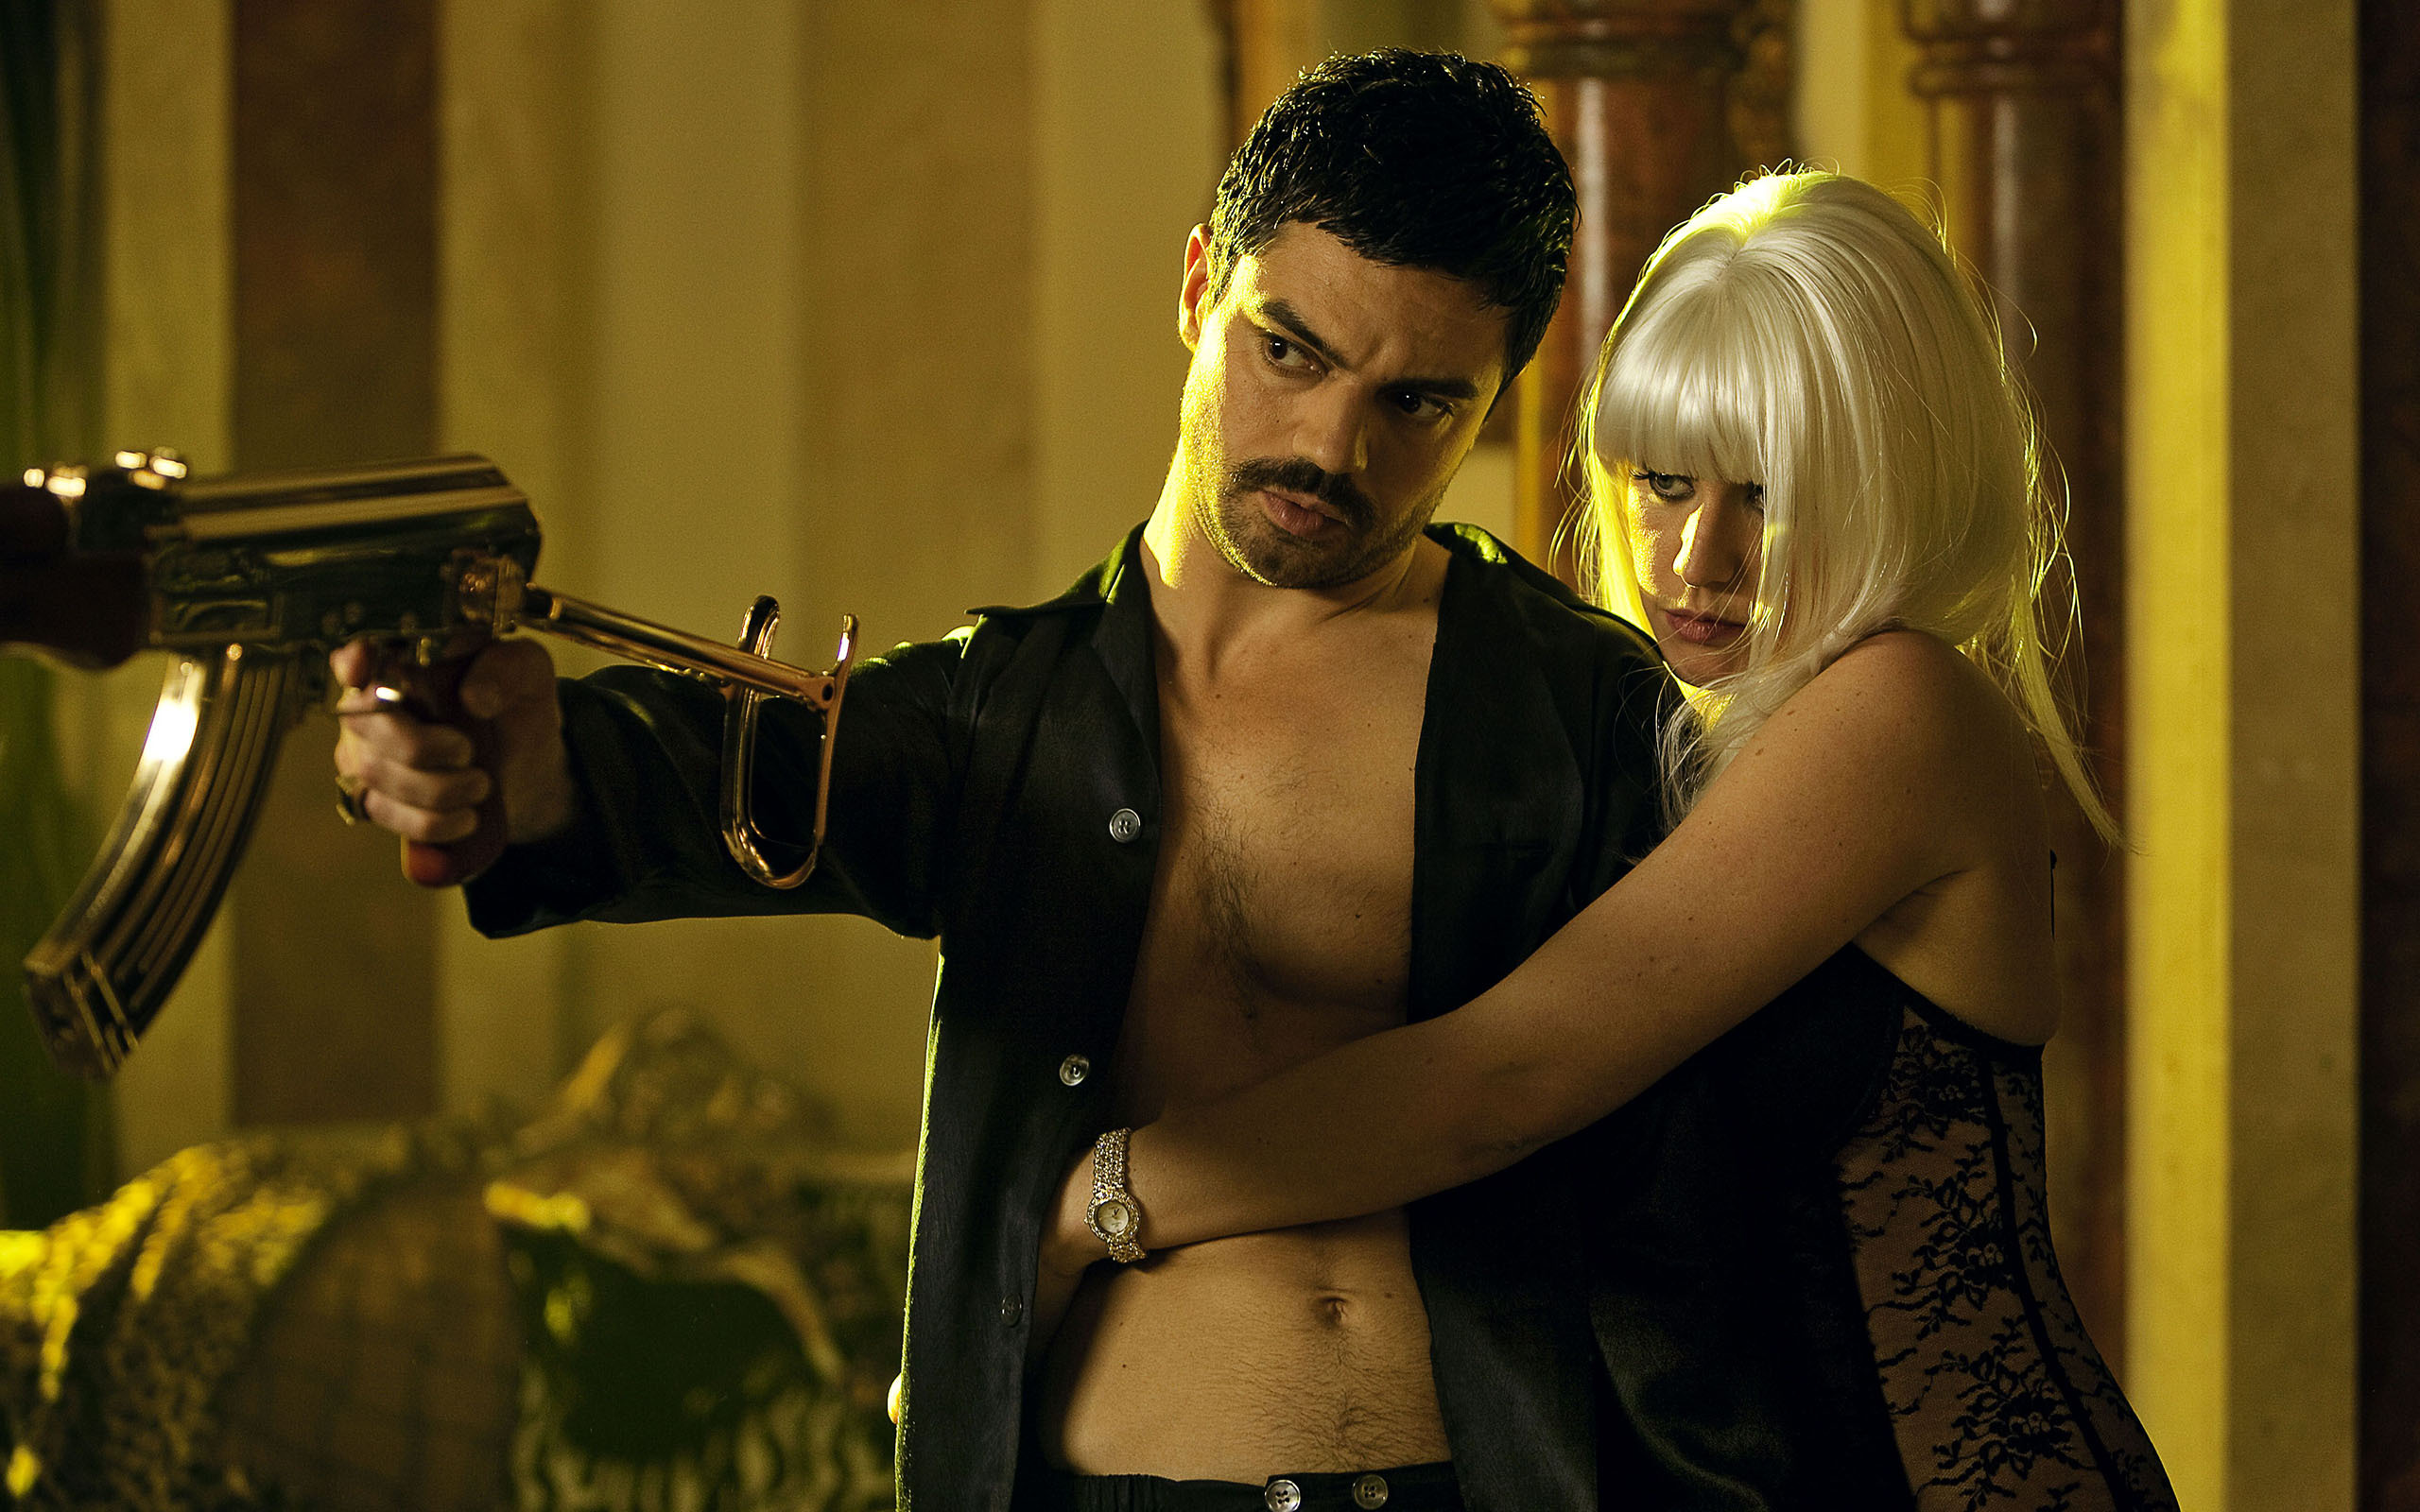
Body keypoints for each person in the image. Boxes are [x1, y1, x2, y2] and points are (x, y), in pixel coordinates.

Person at [335, 52, 1809, 1512]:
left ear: (1495, 398)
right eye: (1289, 351)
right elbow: (716, 780)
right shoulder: (1002, 712)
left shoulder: (1582, 712)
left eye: (1417, 401)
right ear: (1198, 287)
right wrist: (508, 762)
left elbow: (1723, 1209)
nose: (1330, 446)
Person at [1039, 170, 2182, 1511]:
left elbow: (1501, 1079)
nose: (1698, 557)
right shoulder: (1692, 738)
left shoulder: (1902, 709)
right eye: (1665, 482)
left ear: (1899, 486)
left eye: (1771, 495)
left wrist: (1092, 1202)